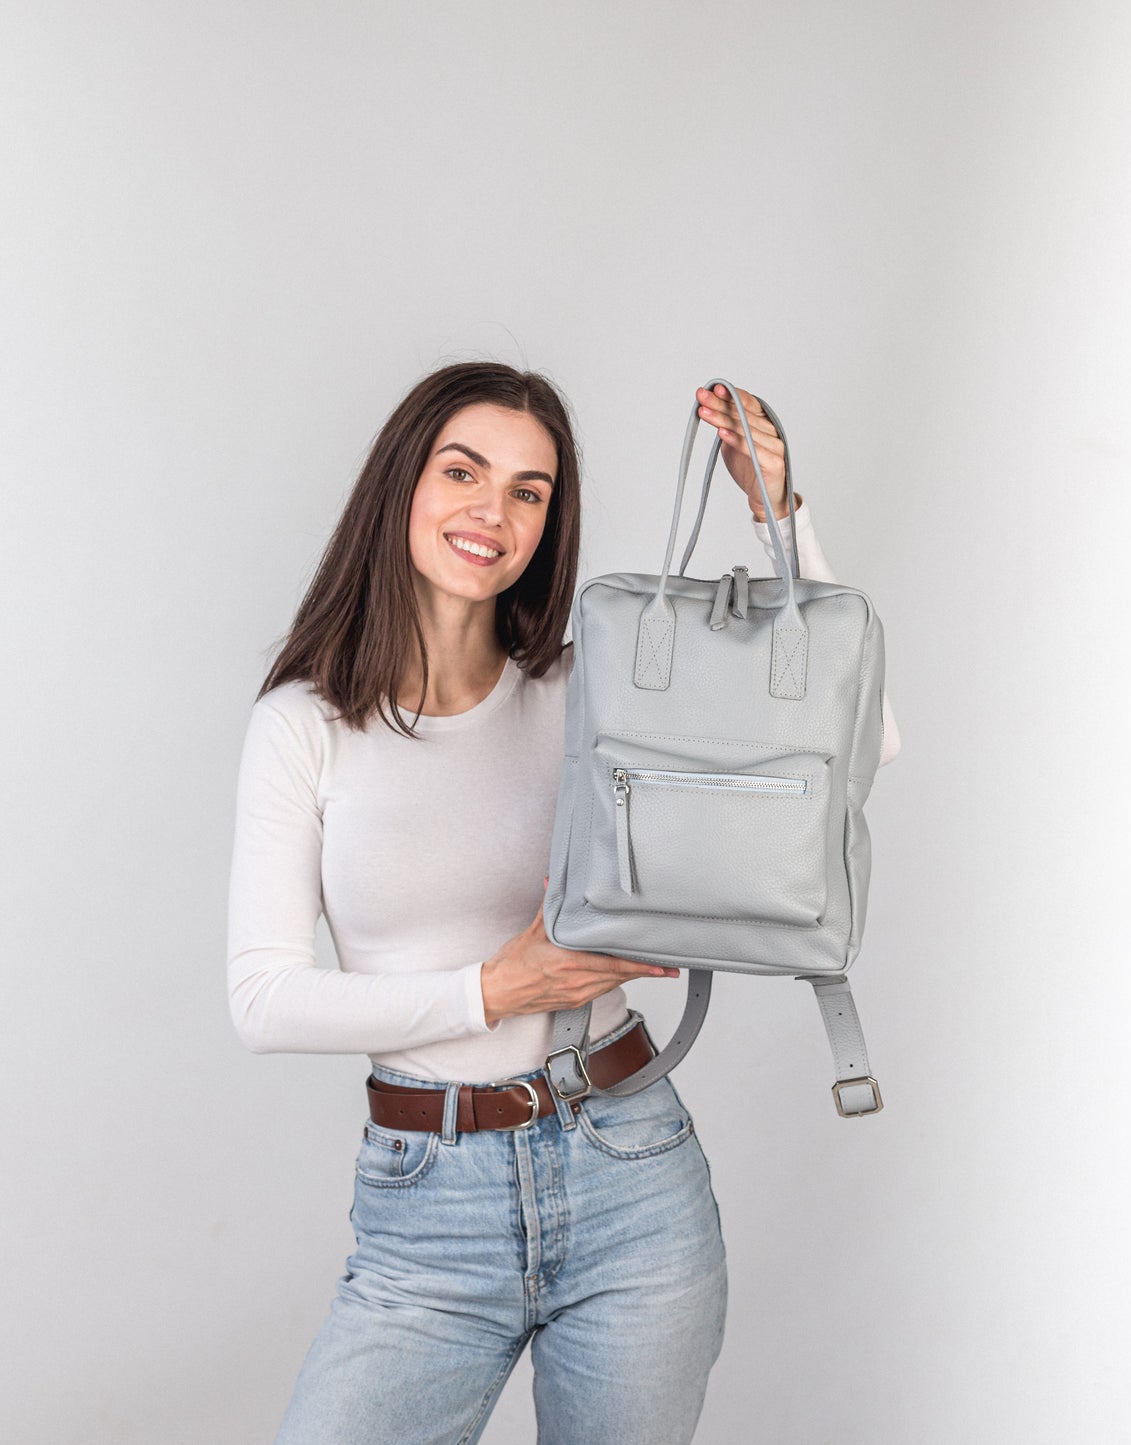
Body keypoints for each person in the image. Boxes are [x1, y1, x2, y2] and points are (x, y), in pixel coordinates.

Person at [227, 362, 901, 1444]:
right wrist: (497, 985)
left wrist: (783, 519)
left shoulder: (584, 691)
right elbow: (262, 1000)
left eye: (529, 491)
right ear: (402, 481)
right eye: (463, 471)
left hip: (630, 1171)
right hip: (426, 1209)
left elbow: (858, 746)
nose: (492, 511)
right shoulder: (304, 725)